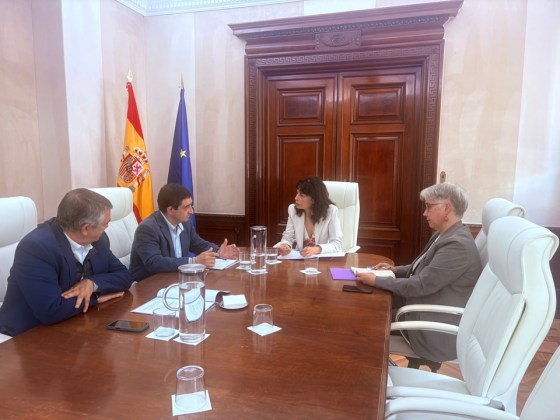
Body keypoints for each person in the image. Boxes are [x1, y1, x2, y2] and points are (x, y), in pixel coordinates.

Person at [356, 182, 482, 363]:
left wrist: (376, 281)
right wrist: (394, 270)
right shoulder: (445, 234)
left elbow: (422, 284)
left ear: (447, 208)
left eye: (429, 207)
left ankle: (373, 373)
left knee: (364, 322)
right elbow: (422, 268)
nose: (424, 213)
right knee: (366, 307)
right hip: (420, 307)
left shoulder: (457, 246)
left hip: (431, 329)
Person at [0, 188, 133, 337]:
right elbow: (51, 310)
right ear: (86, 228)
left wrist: (92, 284)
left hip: (75, 324)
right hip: (27, 335)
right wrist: (95, 298)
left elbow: (125, 276)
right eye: (105, 223)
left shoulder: (99, 240)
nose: (107, 227)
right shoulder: (36, 248)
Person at [129, 183, 238, 281]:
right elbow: (154, 263)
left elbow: (198, 244)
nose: (191, 211)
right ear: (170, 210)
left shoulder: (185, 223)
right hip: (148, 285)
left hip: (176, 280)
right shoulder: (148, 229)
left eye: (191, 205)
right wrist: (193, 261)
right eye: (186, 207)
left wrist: (218, 252)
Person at [275, 176, 343, 257]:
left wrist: (317, 249)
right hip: (299, 259)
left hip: (322, 260)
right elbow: (288, 237)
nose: (296, 198)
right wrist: (286, 245)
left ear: (314, 199)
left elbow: (337, 244)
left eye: (301, 195)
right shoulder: (292, 209)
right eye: (297, 193)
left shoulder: (331, 211)